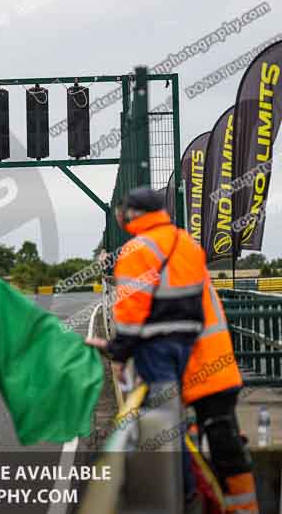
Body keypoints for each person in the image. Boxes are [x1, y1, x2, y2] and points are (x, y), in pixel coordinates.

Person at [87, 186, 257, 513]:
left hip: (175, 361)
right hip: (214, 361)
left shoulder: (137, 250)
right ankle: (241, 507)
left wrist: (119, 350)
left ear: (134, 215)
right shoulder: (187, 246)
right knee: (224, 441)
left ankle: (189, 499)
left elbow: (133, 312)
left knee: (166, 432)